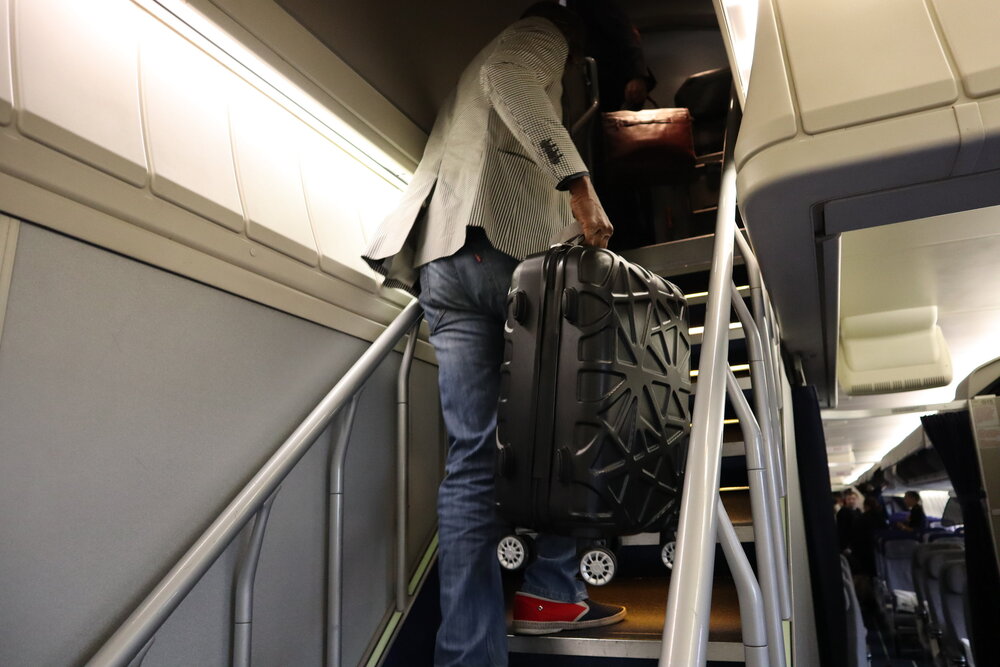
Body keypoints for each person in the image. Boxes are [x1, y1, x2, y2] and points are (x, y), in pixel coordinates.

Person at [363, 4, 621, 666]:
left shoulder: (475, 63)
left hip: (441, 264)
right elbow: (511, 78)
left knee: (473, 463)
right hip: (497, 252)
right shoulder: (540, 36)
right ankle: (550, 589)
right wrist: (580, 186)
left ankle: (468, 652)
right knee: (568, 425)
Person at [836, 490, 861, 555]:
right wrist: (846, 546)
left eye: (853, 499)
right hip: (848, 546)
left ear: (857, 500)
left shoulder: (858, 512)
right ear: (846, 501)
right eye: (849, 499)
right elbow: (842, 530)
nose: (851, 501)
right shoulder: (843, 512)